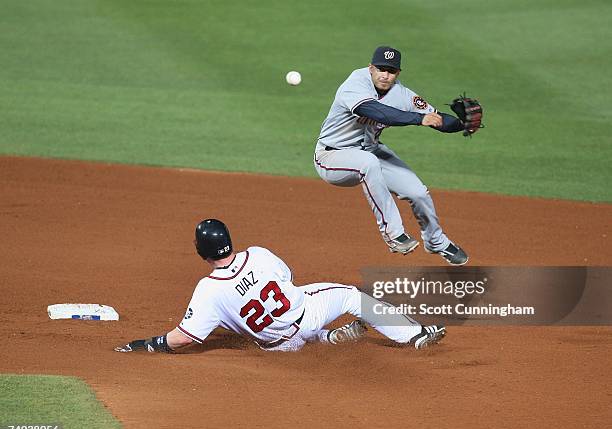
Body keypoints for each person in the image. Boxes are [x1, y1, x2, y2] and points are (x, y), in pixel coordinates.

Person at [114, 219, 446, 354]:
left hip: (278, 348)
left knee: (273, 324)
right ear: (230, 241)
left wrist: (147, 344)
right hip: (307, 316)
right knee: (350, 296)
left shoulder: (208, 291)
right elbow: (287, 279)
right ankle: (413, 336)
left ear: (201, 252)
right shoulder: (257, 255)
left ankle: (328, 339)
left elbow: (184, 337)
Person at [315, 46, 470, 265]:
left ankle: (436, 242)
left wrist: (462, 124)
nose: (386, 75)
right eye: (381, 69)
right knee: (367, 164)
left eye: (391, 71)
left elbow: (436, 119)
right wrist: (417, 119)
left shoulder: (402, 94)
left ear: (398, 73)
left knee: (418, 192)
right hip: (332, 157)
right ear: (371, 68)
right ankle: (393, 234)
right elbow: (374, 110)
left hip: (371, 152)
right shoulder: (355, 83)